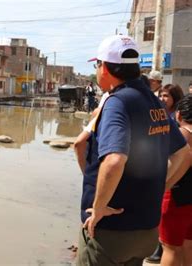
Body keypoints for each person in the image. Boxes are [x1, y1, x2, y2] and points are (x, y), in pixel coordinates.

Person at [77, 35, 188, 265]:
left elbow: (115, 160)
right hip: (146, 229)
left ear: (105, 68)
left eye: (97, 65)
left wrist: (97, 208)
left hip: (112, 233)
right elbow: (182, 152)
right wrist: (161, 186)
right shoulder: (154, 101)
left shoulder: (118, 102)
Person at [159, 94, 192, 266]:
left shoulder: (180, 136)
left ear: (178, 114)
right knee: (188, 246)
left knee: (170, 248)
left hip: (175, 198)